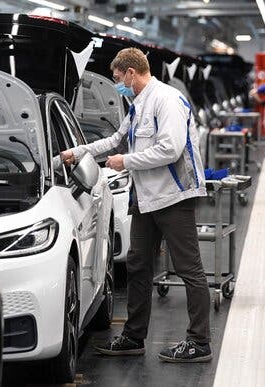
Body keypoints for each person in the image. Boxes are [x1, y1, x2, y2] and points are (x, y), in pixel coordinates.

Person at [61, 48, 212, 363]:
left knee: (189, 269)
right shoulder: (138, 106)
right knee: (138, 264)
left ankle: (199, 342)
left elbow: (170, 149)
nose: (117, 84)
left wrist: (125, 161)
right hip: (146, 198)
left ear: (131, 72)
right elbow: (116, 140)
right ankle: (133, 336)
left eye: (118, 79)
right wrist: (79, 151)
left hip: (175, 196)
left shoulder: (165, 100)